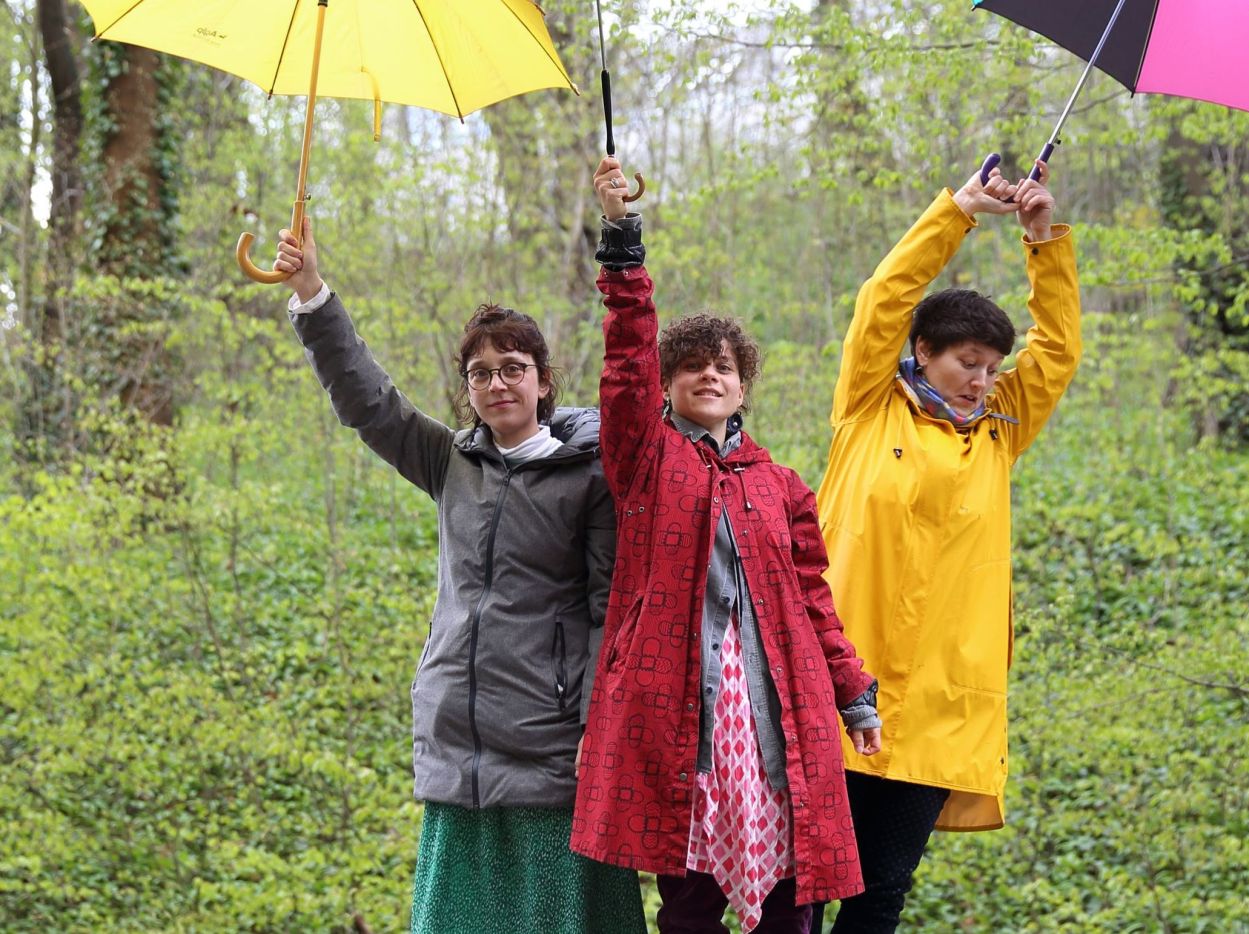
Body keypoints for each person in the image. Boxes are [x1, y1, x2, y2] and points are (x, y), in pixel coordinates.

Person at [273, 221, 645, 934]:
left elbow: (608, 611)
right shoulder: (449, 463)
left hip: (550, 740)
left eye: (512, 367)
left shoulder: (592, 474)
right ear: (467, 389)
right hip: (458, 736)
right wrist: (311, 293)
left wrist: (599, 726)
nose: (497, 383)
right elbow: (367, 400)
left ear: (542, 379)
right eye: (480, 373)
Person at [569, 157, 882, 934]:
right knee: (690, 900)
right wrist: (623, 244)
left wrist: (853, 692)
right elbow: (624, 361)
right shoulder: (645, 457)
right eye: (691, 367)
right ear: (668, 384)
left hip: (784, 706)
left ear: (744, 386)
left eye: (725, 366)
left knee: (793, 898)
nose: (709, 374)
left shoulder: (780, 483)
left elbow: (815, 598)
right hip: (680, 707)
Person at [813, 161, 1080, 932]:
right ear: (924, 350)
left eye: (994, 368)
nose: (982, 380)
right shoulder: (868, 406)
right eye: (968, 363)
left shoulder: (1000, 428)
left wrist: (1042, 239)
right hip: (839, 687)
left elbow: (1057, 350)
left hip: (939, 706)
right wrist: (956, 212)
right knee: (799, 883)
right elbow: (881, 300)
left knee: (882, 889)